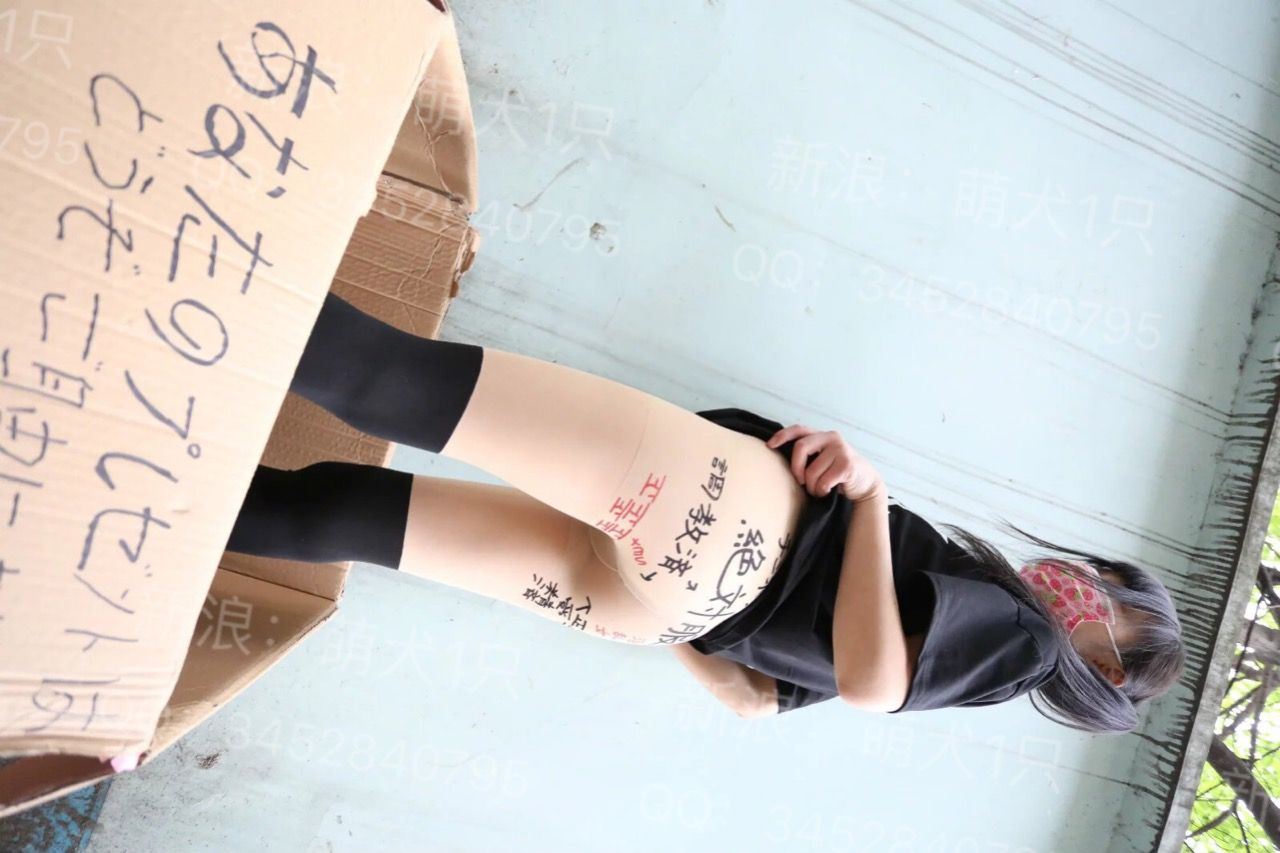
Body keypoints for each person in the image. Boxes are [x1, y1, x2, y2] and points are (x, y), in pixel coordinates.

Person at [226, 291, 1186, 734]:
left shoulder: (1024, 643)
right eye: (1106, 572)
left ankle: (171, 253)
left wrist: (869, 493)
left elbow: (868, 684)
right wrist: (678, 606)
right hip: (660, 607)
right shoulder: (964, 661)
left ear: (1106, 667)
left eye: (1110, 601)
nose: (1087, 581)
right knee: (352, 514)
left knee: (398, 382)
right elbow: (753, 699)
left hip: (731, 523)